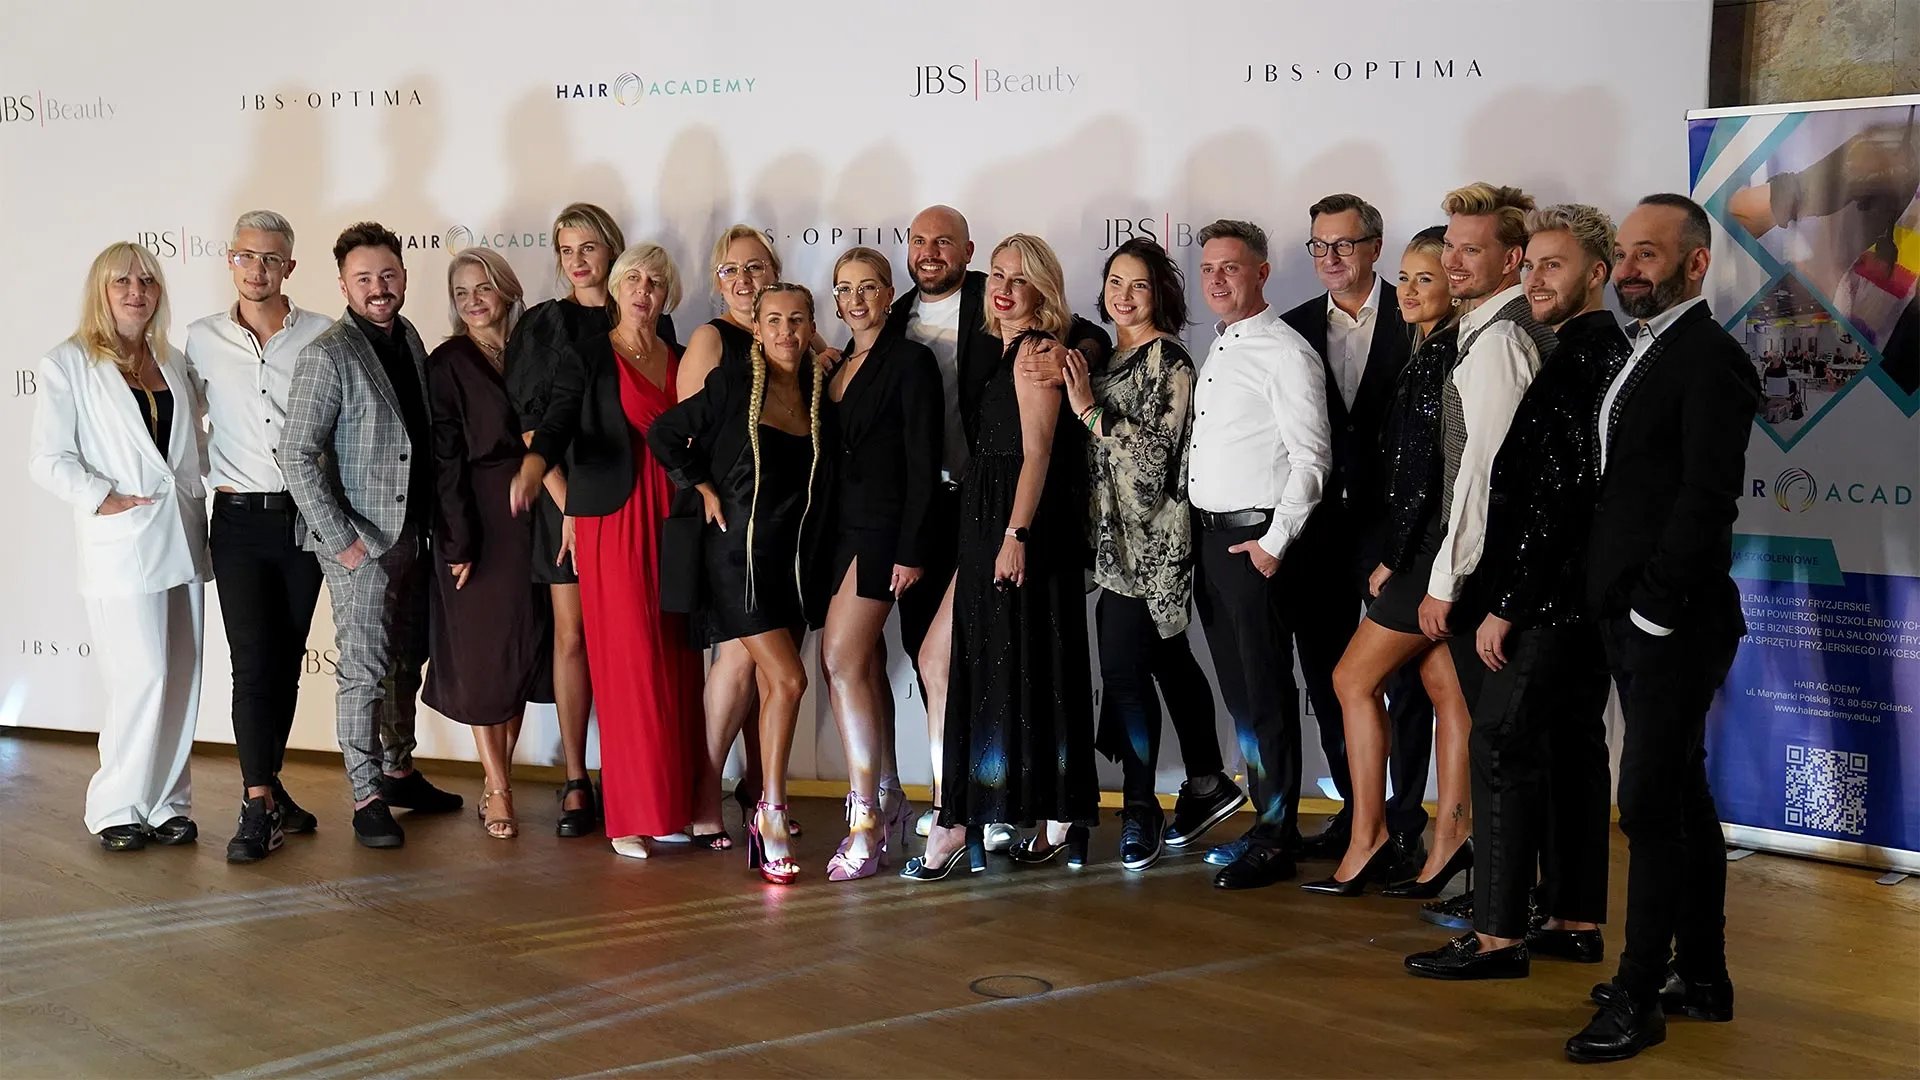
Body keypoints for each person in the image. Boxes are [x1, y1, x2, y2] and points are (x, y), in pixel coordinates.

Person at [1311, 184, 1551, 899]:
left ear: (1510, 259)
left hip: (1440, 553)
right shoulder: (1459, 340)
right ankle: (1446, 842)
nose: (1446, 268)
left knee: (1353, 680)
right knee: (1447, 691)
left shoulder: (1487, 342)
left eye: (1460, 254)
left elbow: (1462, 475)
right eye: (1445, 252)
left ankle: (1373, 838)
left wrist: (1414, 564)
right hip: (1437, 550)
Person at [1404, 205, 1623, 980]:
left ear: (1597, 274)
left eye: (1551, 265)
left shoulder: (1566, 360)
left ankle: (1497, 935)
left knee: (1500, 744)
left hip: (1543, 595)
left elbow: (1536, 497)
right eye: (1531, 264)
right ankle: (1574, 918)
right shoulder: (1605, 352)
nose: (1534, 279)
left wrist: (1500, 603)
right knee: (1572, 747)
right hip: (1582, 594)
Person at [1568, 195, 1758, 1064]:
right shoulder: (1645, 349)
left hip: (1674, 621)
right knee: (1681, 795)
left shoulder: (1710, 357)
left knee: (1646, 804)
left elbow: (1707, 497)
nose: (1629, 268)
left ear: (1695, 263)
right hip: (1632, 614)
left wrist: (1653, 606)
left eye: (1648, 253)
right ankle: (1704, 979)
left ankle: (1638, 994)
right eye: (1624, 253)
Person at [886, 205, 1110, 850]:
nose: (1004, 288)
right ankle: (1011, 810)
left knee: (1002, 663)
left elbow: (1037, 453)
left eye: (1019, 279)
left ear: (1042, 290)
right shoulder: (1006, 344)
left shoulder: (1037, 352)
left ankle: (968, 817)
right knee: (964, 661)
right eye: (1000, 276)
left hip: (1011, 525)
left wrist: (1015, 537)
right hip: (982, 520)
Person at [515, 244, 705, 860]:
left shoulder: (681, 356)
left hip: (672, 518)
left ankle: (669, 808)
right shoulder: (589, 354)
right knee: (628, 663)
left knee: (674, 659)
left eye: (656, 281)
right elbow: (556, 423)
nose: (644, 290)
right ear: (617, 288)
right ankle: (628, 815)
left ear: (667, 293)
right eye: (634, 279)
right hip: (614, 520)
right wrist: (535, 465)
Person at [1060, 237, 1240, 873]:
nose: (1124, 295)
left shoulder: (1170, 359)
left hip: (1152, 545)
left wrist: (1090, 414)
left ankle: (1142, 809)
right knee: (1166, 658)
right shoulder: (1108, 354)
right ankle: (1208, 781)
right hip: (1112, 543)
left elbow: (1153, 464)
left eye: (1138, 284)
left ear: (1159, 293)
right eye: (1115, 282)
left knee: (1124, 674)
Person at [281, 222, 463, 849]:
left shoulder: (409, 336)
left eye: (388, 275)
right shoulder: (326, 354)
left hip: (414, 536)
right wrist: (343, 542)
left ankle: (398, 770)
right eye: (364, 279)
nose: (378, 288)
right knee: (363, 671)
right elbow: (296, 455)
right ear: (343, 286)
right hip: (358, 544)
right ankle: (365, 797)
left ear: (404, 277)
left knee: (405, 660)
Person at [650, 282, 835, 885]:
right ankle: (769, 815)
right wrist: (701, 486)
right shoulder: (732, 383)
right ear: (756, 329)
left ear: (811, 326)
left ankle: (759, 800)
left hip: (792, 564)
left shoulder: (818, 389)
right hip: (736, 558)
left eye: (797, 320)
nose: (785, 331)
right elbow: (664, 433)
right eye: (773, 320)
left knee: (777, 685)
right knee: (790, 678)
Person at [29, 242, 210, 852]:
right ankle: (117, 805)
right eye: (122, 281)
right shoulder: (68, 364)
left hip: (183, 533)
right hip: (122, 542)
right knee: (143, 675)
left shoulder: (173, 361)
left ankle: (167, 803)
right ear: (100, 291)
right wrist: (100, 496)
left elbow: (191, 444)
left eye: (147, 280)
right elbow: (48, 458)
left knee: (182, 675)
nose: (137, 291)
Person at [1279, 193, 1434, 866]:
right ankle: (1355, 810)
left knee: (1404, 685)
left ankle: (1403, 822)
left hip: (1393, 534)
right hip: (1314, 535)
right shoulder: (1290, 328)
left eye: (1344, 244)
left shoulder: (1419, 315)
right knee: (1326, 679)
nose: (1331, 257)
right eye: (1320, 245)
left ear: (1374, 247)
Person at [1182, 219, 1331, 891]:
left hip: (1257, 544)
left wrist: (1273, 545)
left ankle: (1275, 838)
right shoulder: (1220, 345)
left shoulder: (1285, 351)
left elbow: (1313, 459)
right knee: (1242, 698)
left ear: (1262, 272)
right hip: (1212, 544)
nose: (1217, 279)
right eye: (1208, 268)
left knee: (1266, 696)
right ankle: (1271, 823)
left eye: (1231, 267)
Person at [183, 211, 333, 862]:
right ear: (230, 260)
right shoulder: (201, 339)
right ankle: (256, 804)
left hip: (305, 517)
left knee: (287, 660)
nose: (257, 269)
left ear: (289, 268)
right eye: (247, 256)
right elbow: (183, 424)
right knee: (251, 661)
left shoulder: (324, 335)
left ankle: (269, 785)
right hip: (237, 519)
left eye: (271, 259)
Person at [672, 225, 808, 847]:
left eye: (756, 268)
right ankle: (706, 797)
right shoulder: (714, 341)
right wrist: (704, 489)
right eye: (732, 270)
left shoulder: (796, 343)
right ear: (717, 282)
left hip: (787, 541)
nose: (746, 280)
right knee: (736, 662)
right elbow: (689, 436)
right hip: (733, 532)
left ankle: (759, 790)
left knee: (767, 673)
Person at [816, 247, 942, 880]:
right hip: (835, 533)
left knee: (839, 659)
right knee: (861, 661)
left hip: (885, 531)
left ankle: (864, 817)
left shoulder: (911, 361)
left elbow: (924, 461)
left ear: (890, 294)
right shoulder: (833, 365)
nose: (856, 298)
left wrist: (912, 548)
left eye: (868, 287)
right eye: (845, 288)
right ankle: (888, 793)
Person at [424, 248, 551, 840]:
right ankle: (498, 786)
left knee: (519, 652)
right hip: (475, 519)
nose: (473, 301)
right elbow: (444, 459)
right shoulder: (448, 361)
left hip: (537, 512)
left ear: (506, 289)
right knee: (481, 661)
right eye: (461, 293)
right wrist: (458, 541)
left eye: (483, 288)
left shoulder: (533, 348)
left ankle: (497, 776)